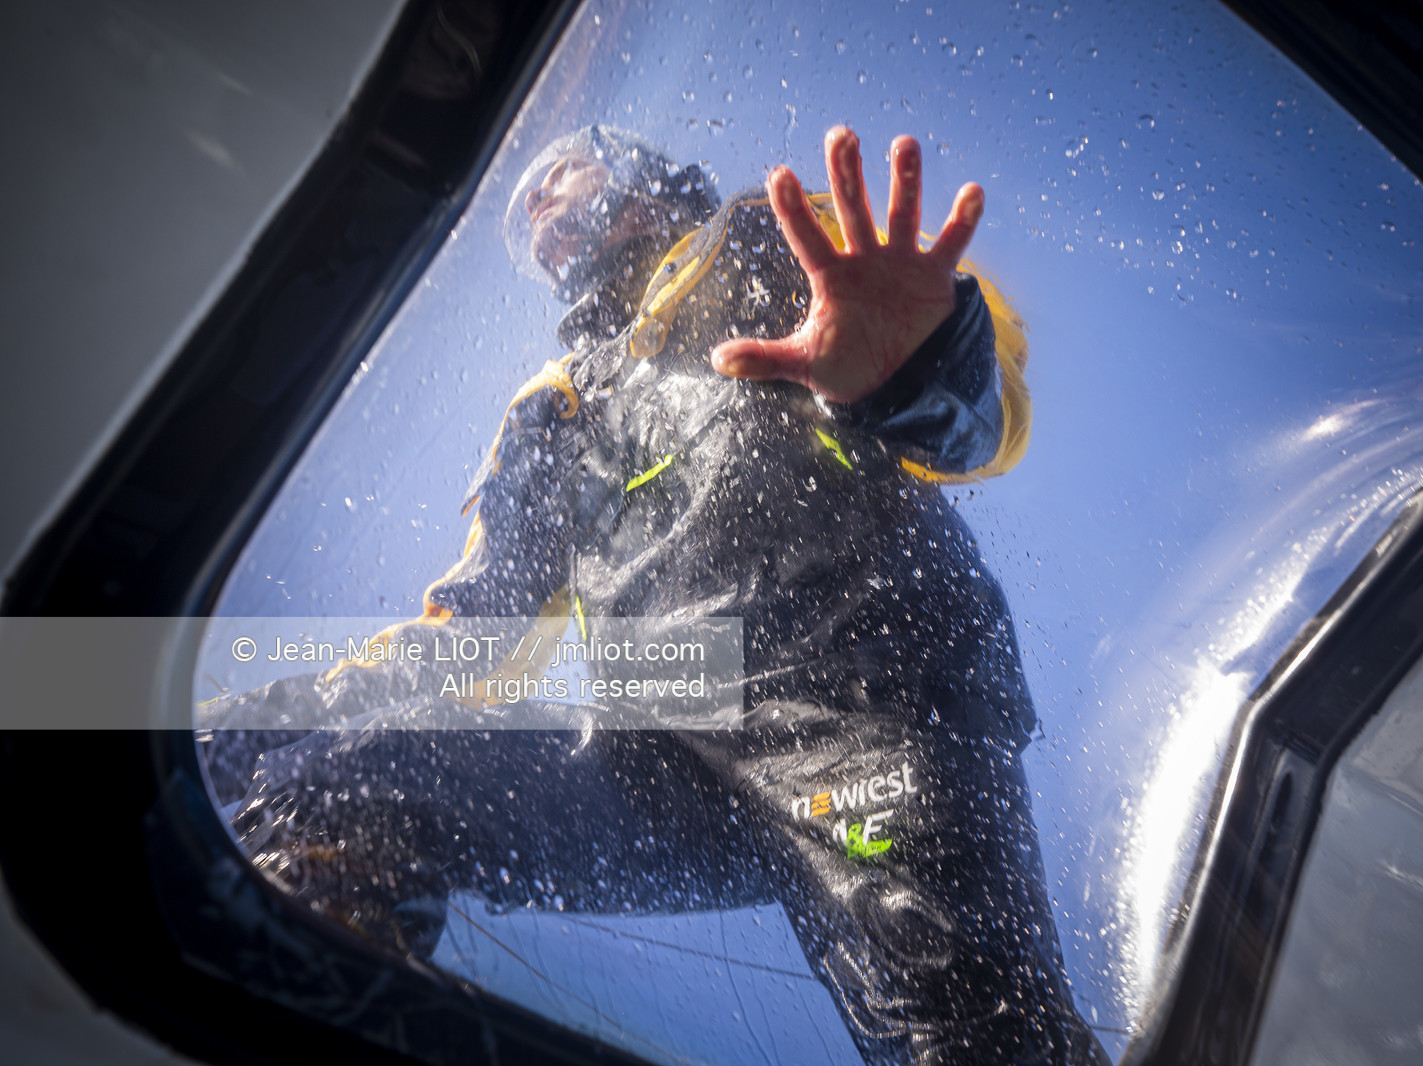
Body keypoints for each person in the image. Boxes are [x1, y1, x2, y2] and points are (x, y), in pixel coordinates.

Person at [205, 124, 1107, 1066]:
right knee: (341, 782)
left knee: (972, 1046)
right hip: (660, 737)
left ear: (638, 169)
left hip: (859, 686)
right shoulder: (551, 410)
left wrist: (920, 364)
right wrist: (231, 727)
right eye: (521, 214)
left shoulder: (772, 237)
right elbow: (470, 641)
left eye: (560, 171)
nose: (536, 203)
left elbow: (989, 417)